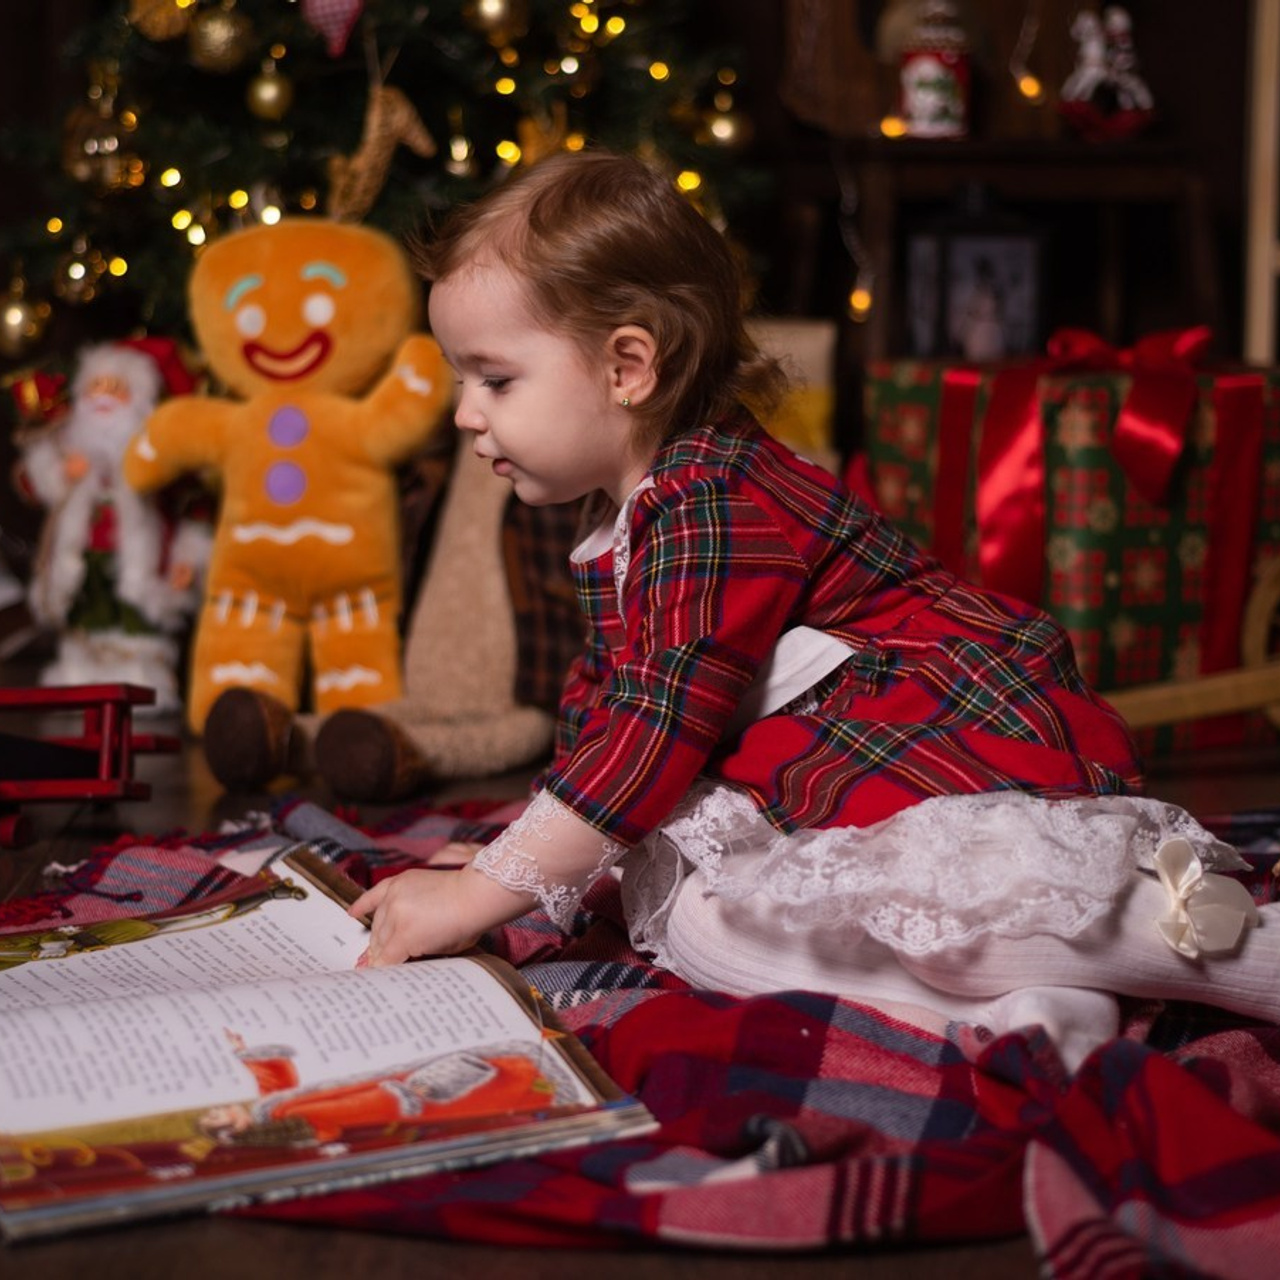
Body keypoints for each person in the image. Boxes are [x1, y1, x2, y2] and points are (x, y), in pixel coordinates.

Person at [349, 149, 1272, 1070]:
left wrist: (481, 893)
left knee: (973, 894)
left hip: (939, 742)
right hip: (817, 771)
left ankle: (1219, 947)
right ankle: (1022, 1007)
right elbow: (605, 718)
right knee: (702, 927)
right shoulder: (625, 511)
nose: (465, 413)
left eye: (494, 380)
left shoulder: (709, 501)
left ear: (628, 367)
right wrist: (499, 872)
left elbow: (656, 720)